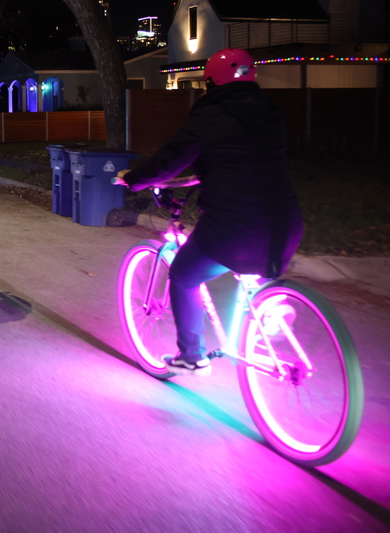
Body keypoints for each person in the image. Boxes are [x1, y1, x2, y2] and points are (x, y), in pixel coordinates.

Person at [114, 48, 303, 376]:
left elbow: (168, 160)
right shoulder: (271, 114)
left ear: (211, 82)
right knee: (256, 265)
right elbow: (241, 161)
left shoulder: (210, 117)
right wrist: (196, 177)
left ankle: (192, 356)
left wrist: (132, 179)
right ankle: (271, 307)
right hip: (285, 220)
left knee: (183, 276)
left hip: (234, 226)